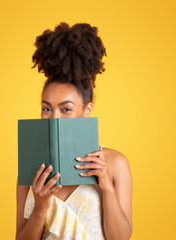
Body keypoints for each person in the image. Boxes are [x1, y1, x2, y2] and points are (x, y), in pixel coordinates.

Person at [16, 22, 133, 240]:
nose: (55, 117)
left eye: (66, 109)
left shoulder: (116, 164)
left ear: (87, 110)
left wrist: (106, 187)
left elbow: (121, 238)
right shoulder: (31, 168)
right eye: (46, 108)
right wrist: (40, 208)